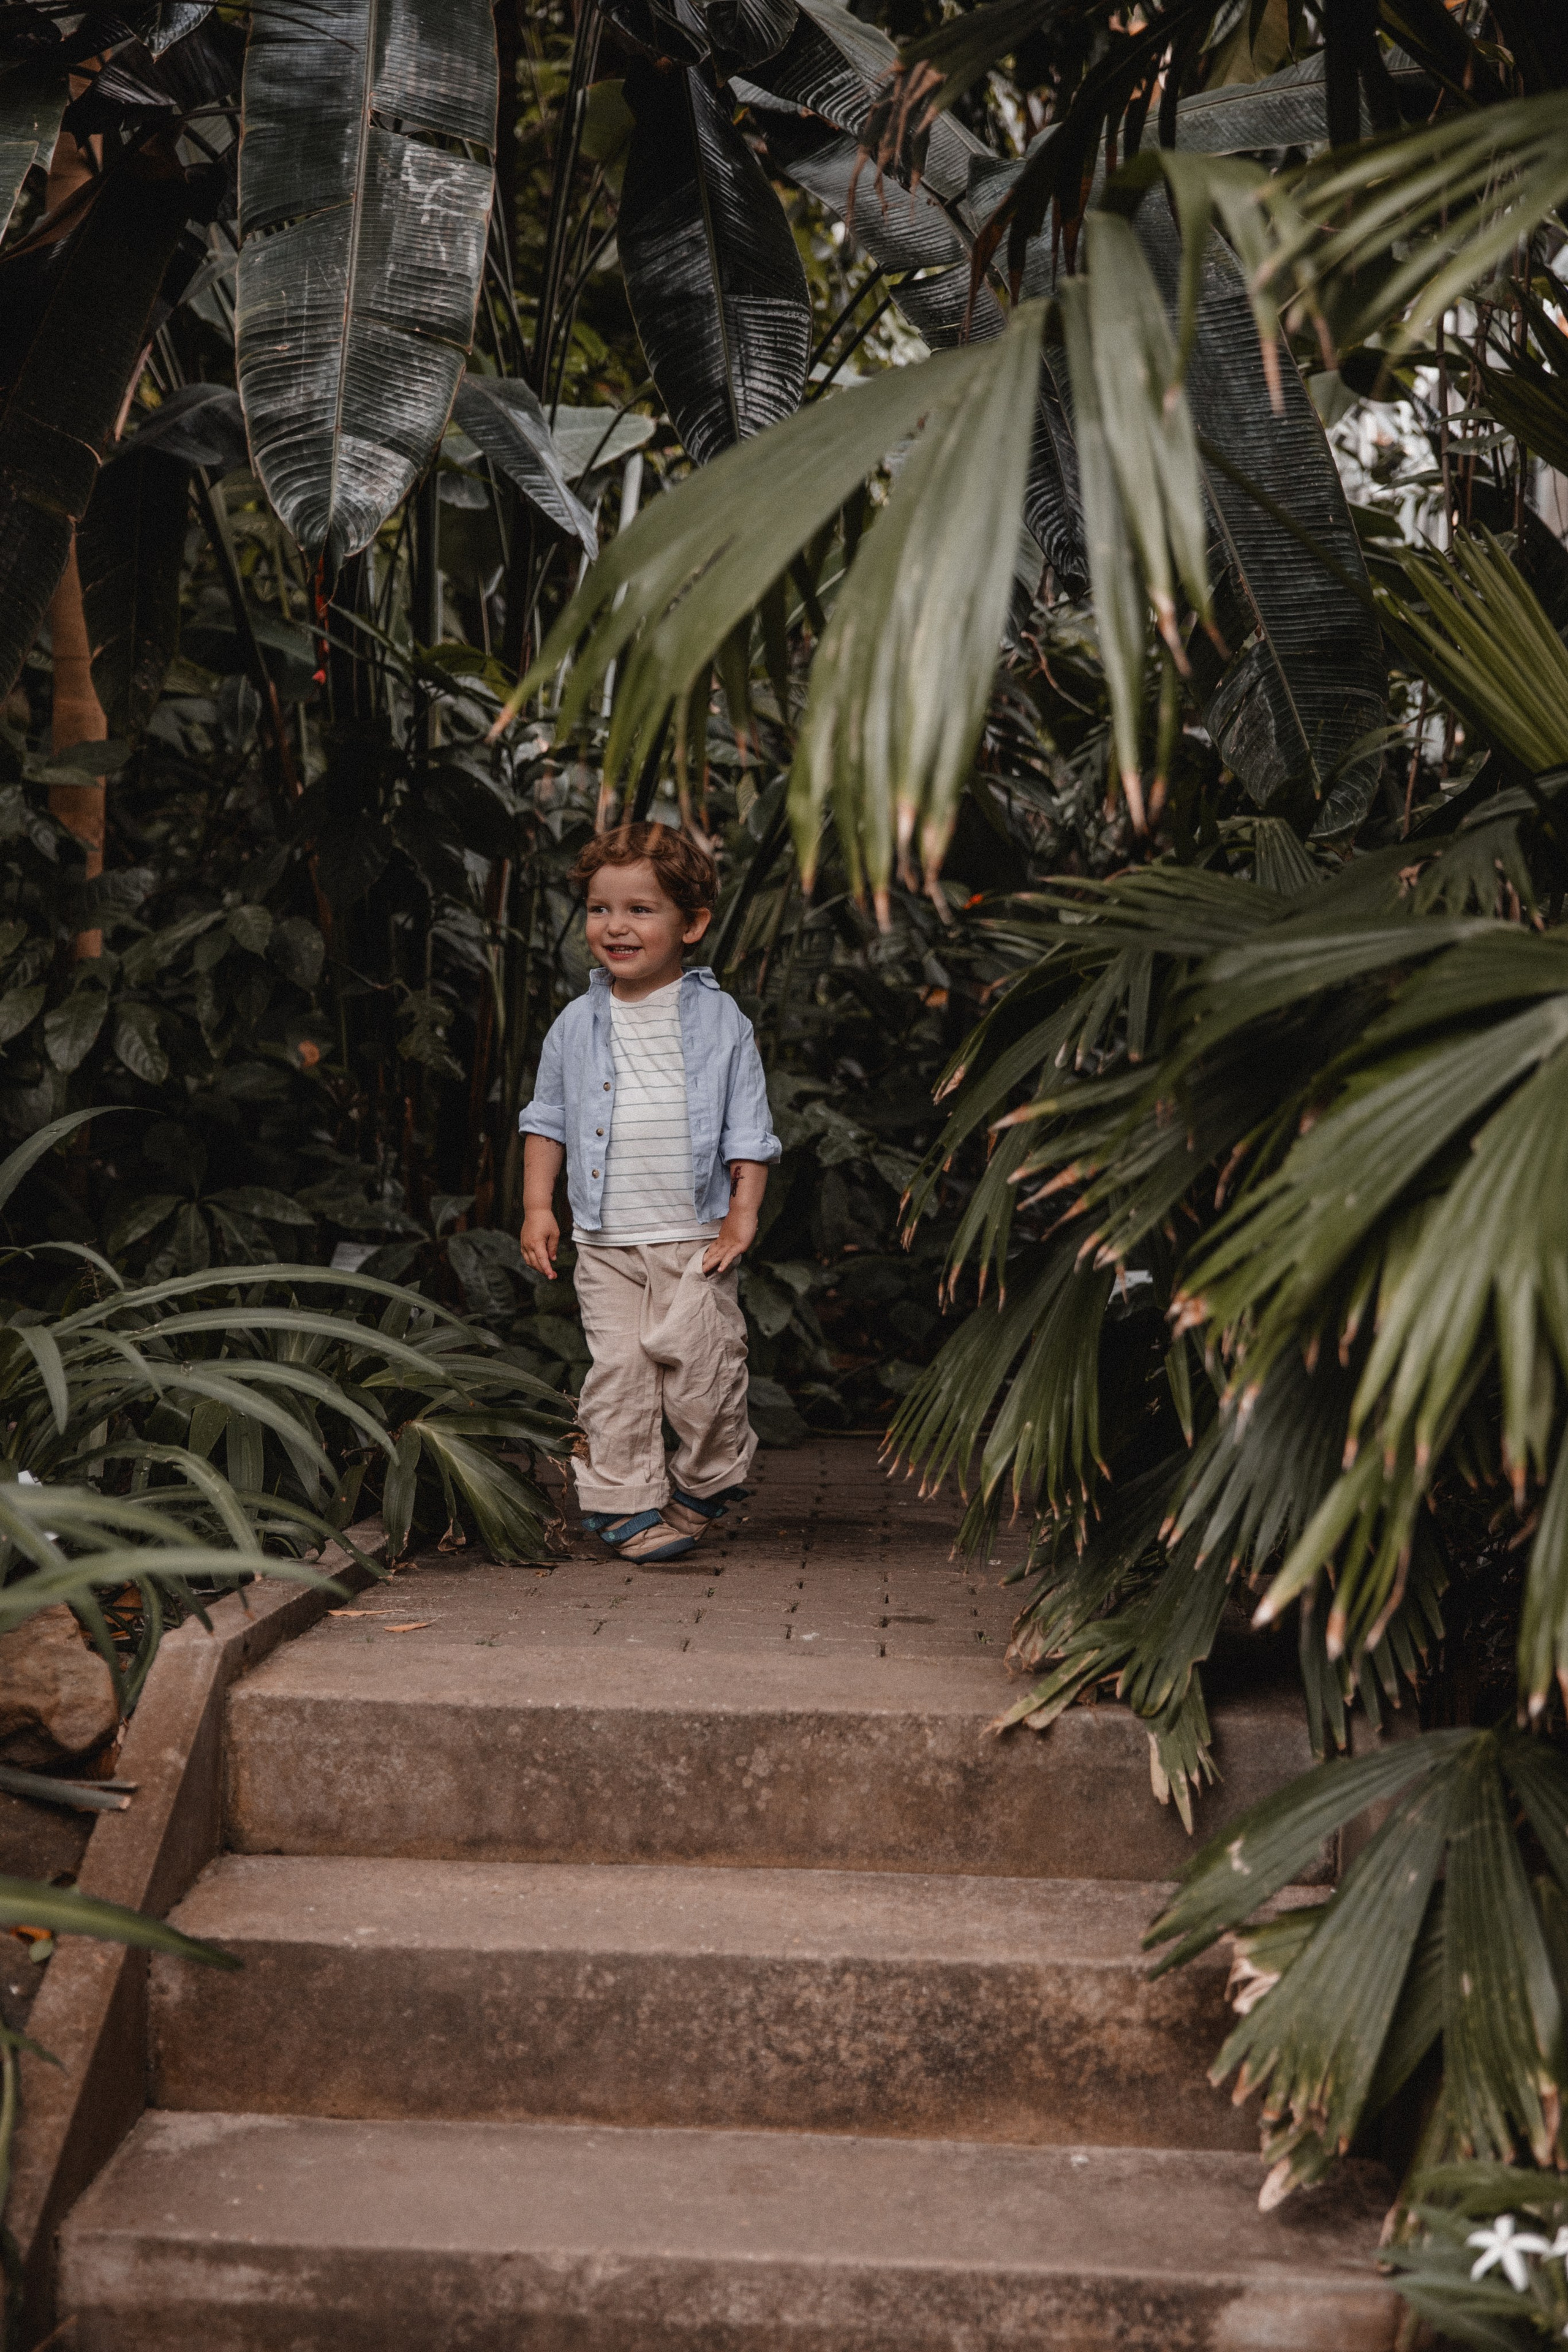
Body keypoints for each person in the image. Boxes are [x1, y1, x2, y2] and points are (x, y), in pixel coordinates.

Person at [517, 822, 781, 1565]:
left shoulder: (721, 1020)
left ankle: (708, 1481)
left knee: (703, 1372)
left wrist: (741, 1217)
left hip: (692, 1235)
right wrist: (540, 1206)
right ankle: (624, 1505)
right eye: (601, 909)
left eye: (640, 909)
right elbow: (546, 1119)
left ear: (690, 924)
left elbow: (749, 1130)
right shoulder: (575, 1024)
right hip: (604, 1241)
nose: (616, 926)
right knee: (619, 1378)